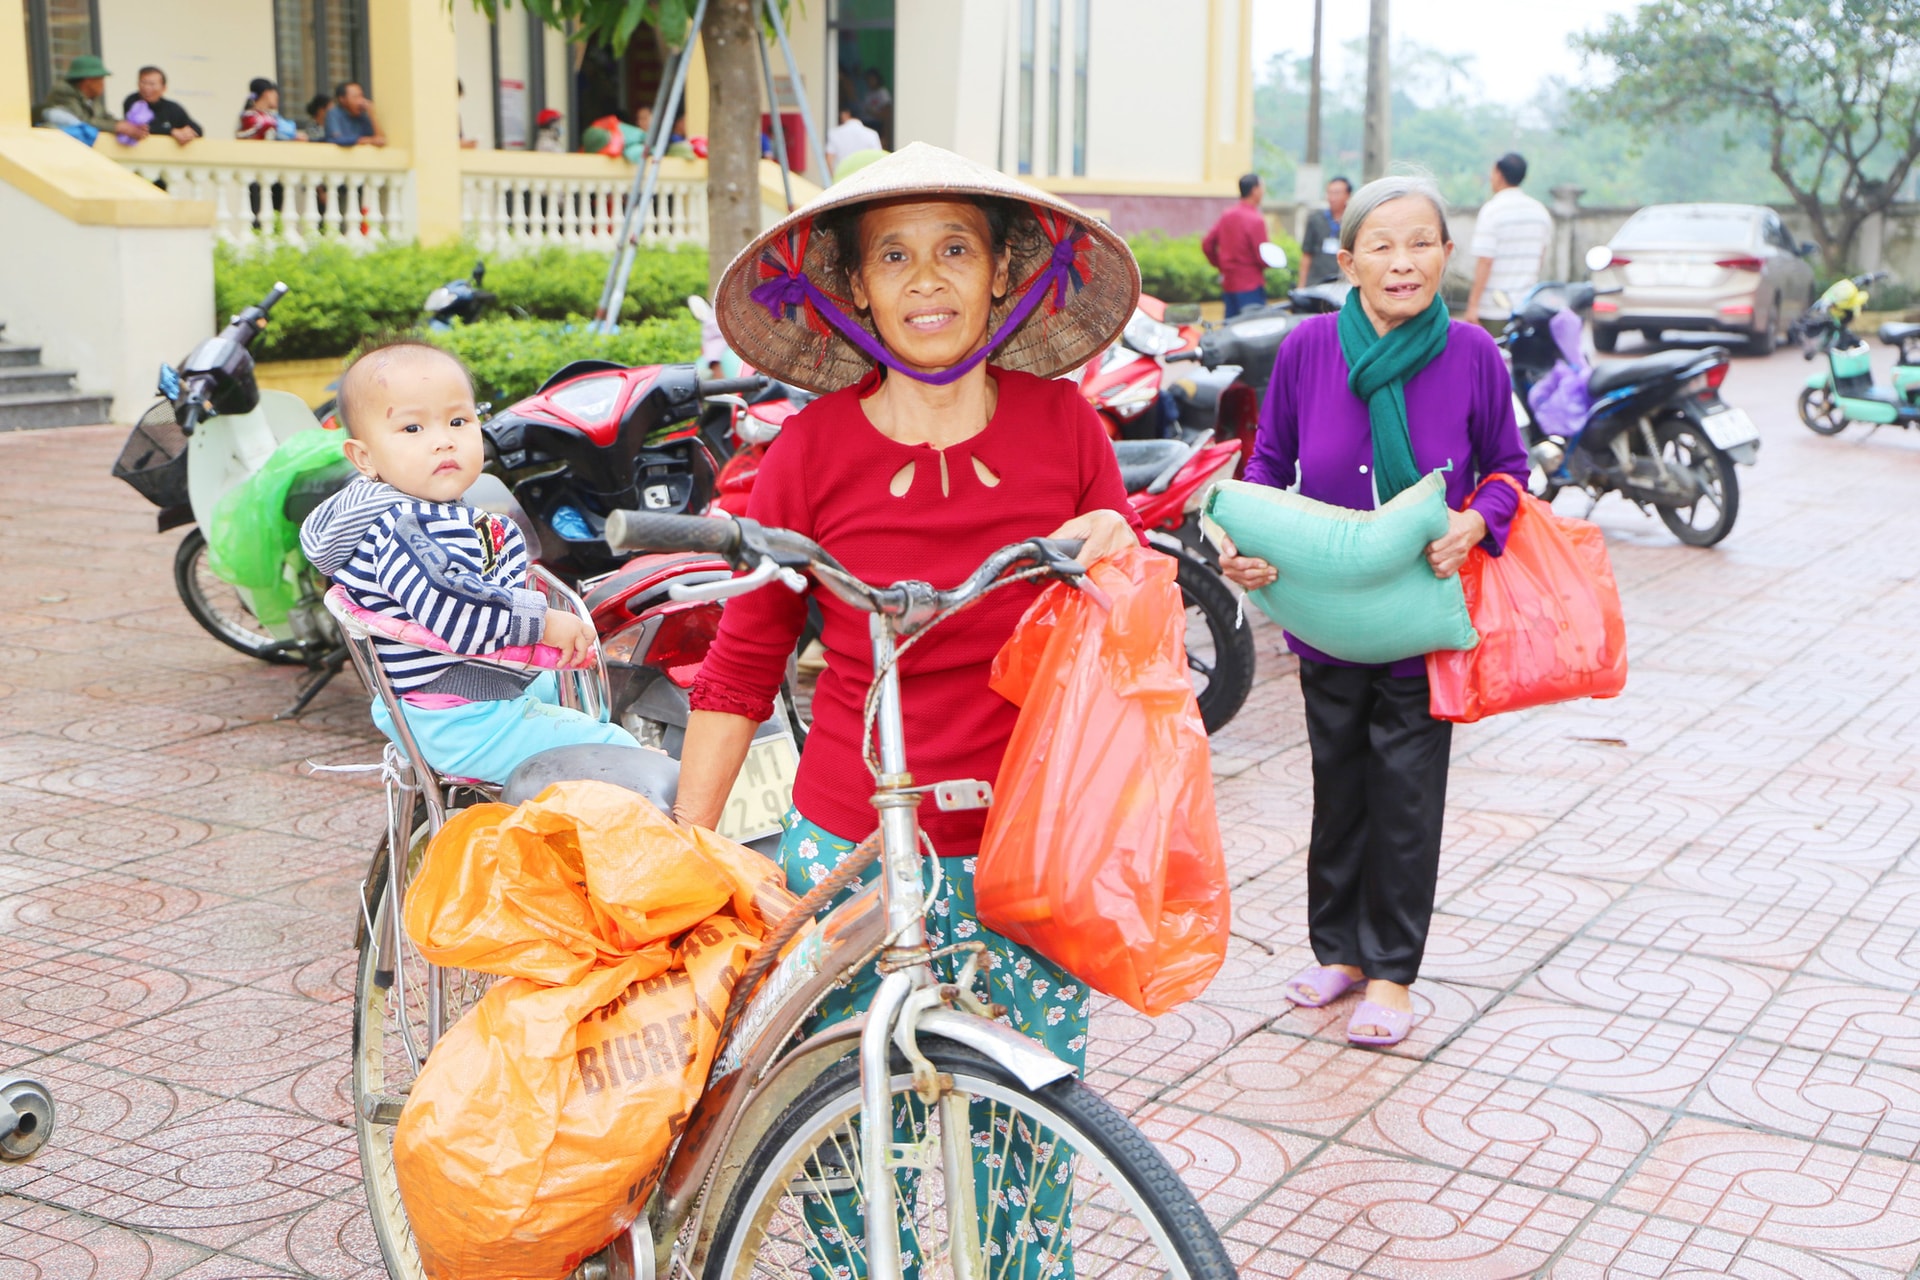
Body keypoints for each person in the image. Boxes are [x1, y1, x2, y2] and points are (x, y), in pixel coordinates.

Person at [690, 142, 1141, 1273]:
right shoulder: (807, 451)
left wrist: (1122, 551)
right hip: (853, 845)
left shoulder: (1066, 427)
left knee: (1028, 1149)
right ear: (854, 287)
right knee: (849, 1147)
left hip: (1032, 851)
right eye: (895, 254)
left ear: (1003, 272)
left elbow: (1127, 629)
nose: (927, 278)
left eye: (955, 248)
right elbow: (745, 662)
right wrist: (687, 851)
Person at [1218, 174, 1528, 1048]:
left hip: (1420, 614)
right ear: (1347, 259)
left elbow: (1509, 467)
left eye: (1421, 242)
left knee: (1405, 792)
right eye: (1381, 246)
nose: (1403, 262)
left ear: (1446, 255)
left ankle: (1391, 971)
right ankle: (1340, 952)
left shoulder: (1472, 354)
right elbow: (1270, 463)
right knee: (1339, 780)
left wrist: (1475, 521)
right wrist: (1241, 540)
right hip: (1322, 607)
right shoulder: (1311, 347)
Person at [300, 340, 640, 782]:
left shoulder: (431, 509)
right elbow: (455, 607)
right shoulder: (403, 528)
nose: (443, 441)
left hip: (462, 692)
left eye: (458, 421)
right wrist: (543, 622)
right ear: (364, 457)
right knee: (622, 756)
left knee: (577, 692)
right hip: (460, 719)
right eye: (412, 430)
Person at [1463, 151, 1553, 330]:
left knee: (1495, 357)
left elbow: (1485, 261)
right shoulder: (1540, 212)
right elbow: (1540, 258)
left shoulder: (1492, 211)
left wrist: (1473, 305)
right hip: (1527, 307)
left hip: (1493, 309)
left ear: (1498, 174)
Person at [1203, 172, 1273, 317]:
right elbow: (1263, 256)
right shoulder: (1255, 220)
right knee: (1252, 329)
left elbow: (1207, 244)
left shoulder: (1227, 215)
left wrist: (1221, 264)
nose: (1263, 191)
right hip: (1250, 284)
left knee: (1230, 330)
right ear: (1255, 190)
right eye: (1262, 187)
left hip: (1229, 283)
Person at [36, 55, 144, 139]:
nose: (103, 84)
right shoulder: (63, 92)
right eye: (100, 79)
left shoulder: (92, 98)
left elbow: (105, 118)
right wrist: (116, 127)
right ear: (88, 81)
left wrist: (128, 126)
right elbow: (81, 122)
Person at [122, 66, 200, 143]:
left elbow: (197, 129)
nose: (146, 88)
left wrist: (188, 134)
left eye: (152, 84)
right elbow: (142, 127)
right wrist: (172, 132)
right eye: (143, 83)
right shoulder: (133, 101)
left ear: (164, 88)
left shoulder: (173, 108)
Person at [1299, 175, 1352, 287]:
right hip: (1316, 282)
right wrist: (1301, 285)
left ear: (1347, 195)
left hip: (1342, 283)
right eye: (1329, 193)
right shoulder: (1315, 219)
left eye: (1337, 193)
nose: (1332, 198)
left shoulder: (1353, 221)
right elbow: (1307, 253)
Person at [824, 104, 881, 178]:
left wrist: (833, 179)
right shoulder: (872, 134)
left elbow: (829, 159)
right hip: (864, 179)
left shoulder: (834, 133)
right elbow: (878, 159)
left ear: (846, 114)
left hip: (842, 179)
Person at [236, 78, 304, 140]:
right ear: (267, 93)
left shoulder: (272, 116)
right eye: (275, 94)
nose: (277, 97)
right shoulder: (251, 116)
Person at [324, 81, 386, 147]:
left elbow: (380, 139)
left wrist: (372, 114)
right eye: (355, 97)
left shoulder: (362, 117)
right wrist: (363, 140)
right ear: (342, 99)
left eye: (361, 96)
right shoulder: (334, 114)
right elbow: (335, 139)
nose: (360, 101)